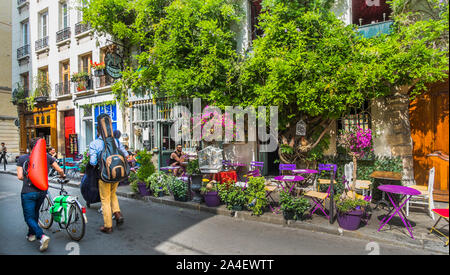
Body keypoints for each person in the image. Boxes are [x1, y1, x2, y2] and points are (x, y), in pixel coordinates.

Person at [16, 138, 65, 252]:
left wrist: (29, 178)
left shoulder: (22, 158)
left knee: (28, 217)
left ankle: (41, 236)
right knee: (35, 213)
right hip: (42, 191)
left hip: (28, 192)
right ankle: (31, 234)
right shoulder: (47, 157)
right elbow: (59, 170)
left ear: (30, 147)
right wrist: (62, 175)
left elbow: (19, 176)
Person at [89, 121, 129, 233]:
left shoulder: (94, 143)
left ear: (98, 131)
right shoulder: (115, 141)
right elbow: (125, 154)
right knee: (113, 194)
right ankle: (117, 213)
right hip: (117, 174)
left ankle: (108, 226)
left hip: (104, 175)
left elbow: (92, 162)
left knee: (105, 199)